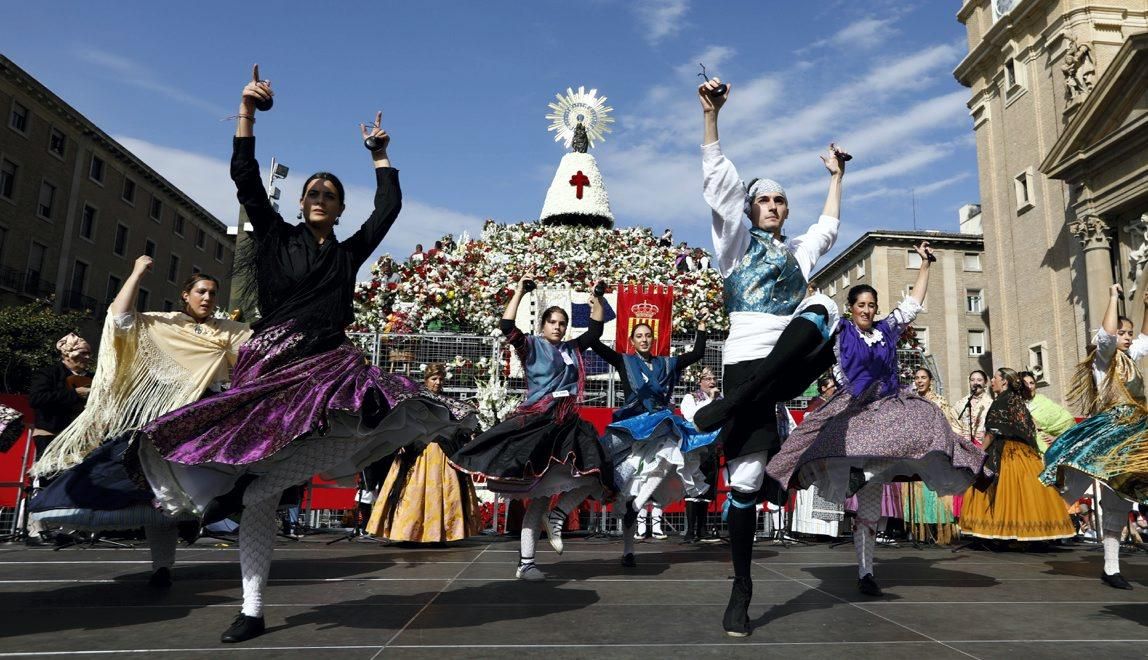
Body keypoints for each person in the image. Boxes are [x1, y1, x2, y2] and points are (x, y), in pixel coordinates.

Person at [133, 67, 473, 644]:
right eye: (313, 193)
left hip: (331, 371)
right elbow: (244, 177)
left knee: (284, 476)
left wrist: (380, 157)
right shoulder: (273, 236)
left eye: (329, 195)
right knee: (257, 490)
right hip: (271, 368)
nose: (319, 199)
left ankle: (244, 494)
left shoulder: (347, 253)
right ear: (300, 202)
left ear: (340, 209)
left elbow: (387, 211)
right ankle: (253, 606)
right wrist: (246, 112)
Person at [694, 76, 847, 637]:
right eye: (765, 199)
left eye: (781, 200)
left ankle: (733, 406)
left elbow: (827, 228)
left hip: (786, 362)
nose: (774, 206)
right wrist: (712, 117)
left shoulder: (797, 253)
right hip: (747, 362)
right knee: (747, 479)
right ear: (751, 208)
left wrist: (837, 177)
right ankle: (742, 586)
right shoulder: (734, 246)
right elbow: (717, 184)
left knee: (825, 307)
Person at [767, 243, 986, 599]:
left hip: (888, 406)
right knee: (823, 452)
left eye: (871, 305)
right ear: (851, 309)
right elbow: (809, 315)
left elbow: (912, 304)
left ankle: (867, 566)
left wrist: (926, 265)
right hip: (854, 409)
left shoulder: (888, 329)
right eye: (861, 305)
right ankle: (863, 566)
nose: (867, 310)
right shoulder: (840, 331)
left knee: (926, 419)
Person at [30, 258, 251, 586]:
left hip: (213, 417)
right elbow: (119, 319)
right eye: (201, 291)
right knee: (155, 496)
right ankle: (162, 566)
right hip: (171, 417)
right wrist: (136, 273)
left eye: (213, 293)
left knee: (236, 475)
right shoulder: (165, 324)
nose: (207, 298)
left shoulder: (230, 332)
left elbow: (265, 345)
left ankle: (202, 515)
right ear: (186, 296)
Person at [451, 276, 612, 581]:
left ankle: (560, 514)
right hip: (541, 423)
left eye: (562, 323)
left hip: (569, 424)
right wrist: (520, 292)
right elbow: (506, 327)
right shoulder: (531, 347)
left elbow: (596, 331)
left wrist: (598, 298)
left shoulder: (572, 349)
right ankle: (526, 564)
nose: (558, 326)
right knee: (537, 497)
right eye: (552, 321)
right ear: (543, 325)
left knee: (596, 475)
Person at [1041, 284, 1148, 589]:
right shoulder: (1104, 359)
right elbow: (1105, 336)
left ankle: (1111, 568)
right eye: (1122, 332)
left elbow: (1145, 340)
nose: (1127, 337)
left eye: (1128, 333)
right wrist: (1112, 297)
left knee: (1119, 501)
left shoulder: (1130, 359)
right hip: (1104, 433)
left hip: (1130, 437)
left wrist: (1146, 306)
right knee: (1069, 488)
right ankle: (1034, 526)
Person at [589, 318, 714, 566]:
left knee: (671, 451)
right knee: (620, 482)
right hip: (633, 429)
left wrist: (700, 326)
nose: (644, 339)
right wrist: (598, 306)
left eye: (648, 335)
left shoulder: (665, 364)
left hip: (660, 426)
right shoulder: (624, 361)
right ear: (632, 341)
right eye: (639, 336)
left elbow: (698, 353)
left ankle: (638, 504)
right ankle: (628, 549)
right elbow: (594, 342)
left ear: (653, 339)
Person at [365, 363, 481, 543]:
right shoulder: (417, 400)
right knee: (411, 492)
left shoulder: (447, 402)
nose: (437, 383)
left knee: (443, 492)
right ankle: (407, 531)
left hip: (442, 451)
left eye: (440, 379)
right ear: (426, 380)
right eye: (434, 379)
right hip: (417, 450)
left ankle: (440, 533)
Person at [959, 368, 1075, 544]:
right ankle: (1023, 534)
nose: (992, 381)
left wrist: (980, 451)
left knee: (1004, 491)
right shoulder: (1018, 401)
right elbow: (1029, 430)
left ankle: (1005, 532)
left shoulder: (1001, 402)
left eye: (995, 378)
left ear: (1004, 382)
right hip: (1025, 453)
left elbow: (992, 432)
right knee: (1024, 494)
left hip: (1006, 452)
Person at [907, 367, 966, 545]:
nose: (919, 381)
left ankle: (939, 531)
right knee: (919, 490)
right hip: (917, 452)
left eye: (923, 377)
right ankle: (920, 531)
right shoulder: (912, 401)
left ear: (930, 380)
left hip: (935, 452)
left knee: (936, 492)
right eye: (917, 378)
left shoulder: (940, 401)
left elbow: (951, 426)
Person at [679, 367, 721, 543]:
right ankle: (690, 531)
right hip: (695, 448)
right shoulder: (691, 397)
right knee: (692, 488)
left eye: (713, 379)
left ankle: (702, 529)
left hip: (711, 447)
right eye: (707, 378)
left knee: (708, 488)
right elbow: (691, 417)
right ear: (700, 381)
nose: (711, 382)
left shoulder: (720, 399)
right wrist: (710, 401)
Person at [1019, 370, 1076, 454]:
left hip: (1046, 450)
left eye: (1032, 383)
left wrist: (1057, 438)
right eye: (1025, 384)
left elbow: (1068, 422)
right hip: (1023, 451)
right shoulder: (1015, 404)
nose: (1029, 387)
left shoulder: (1043, 401)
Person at [956, 370, 993, 446]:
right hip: (964, 445)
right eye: (972, 380)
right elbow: (954, 424)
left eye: (979, 380)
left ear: (985, 383)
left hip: (984, 445)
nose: (975, 383)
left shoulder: (991, 404)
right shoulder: (960, 404)